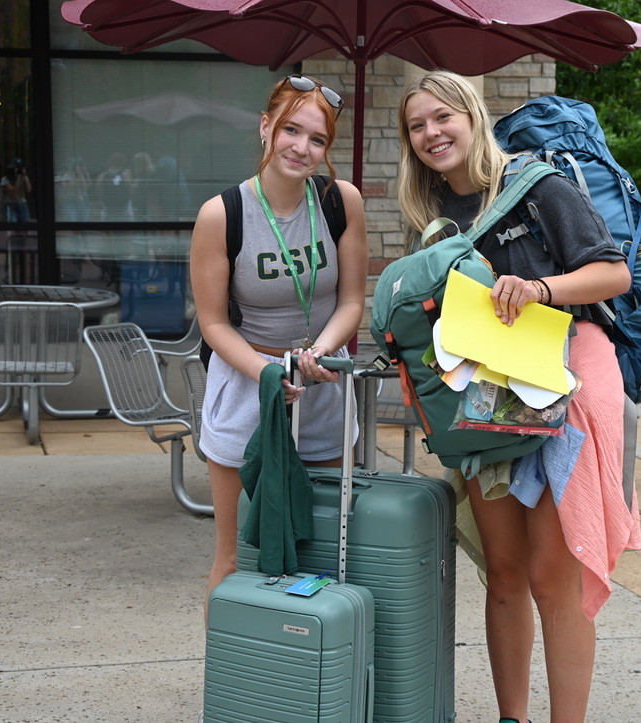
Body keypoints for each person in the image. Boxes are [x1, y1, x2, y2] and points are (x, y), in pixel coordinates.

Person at [397, 70, 641, 723]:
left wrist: (539, 289)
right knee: (502, 571)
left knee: (550, 576)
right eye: (417, 125)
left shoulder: (537, 186)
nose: (431, 133)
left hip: (563, 384)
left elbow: (612, 271)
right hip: (487, 394)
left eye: (441, 117)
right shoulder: (432, 221)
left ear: (471, 116)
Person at [190, 74, 368, 616]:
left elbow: (352, 301)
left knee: (326, 551)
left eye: (317, 139)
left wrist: (318, 354)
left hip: (322, 387)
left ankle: (307, 684)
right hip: (250, 388)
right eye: (291, 130)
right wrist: (271, 372)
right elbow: (214, 324)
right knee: (236, 555)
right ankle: (231, 694)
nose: (302, 147)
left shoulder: (342, 202)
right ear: (266, 127)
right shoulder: (223, 214)